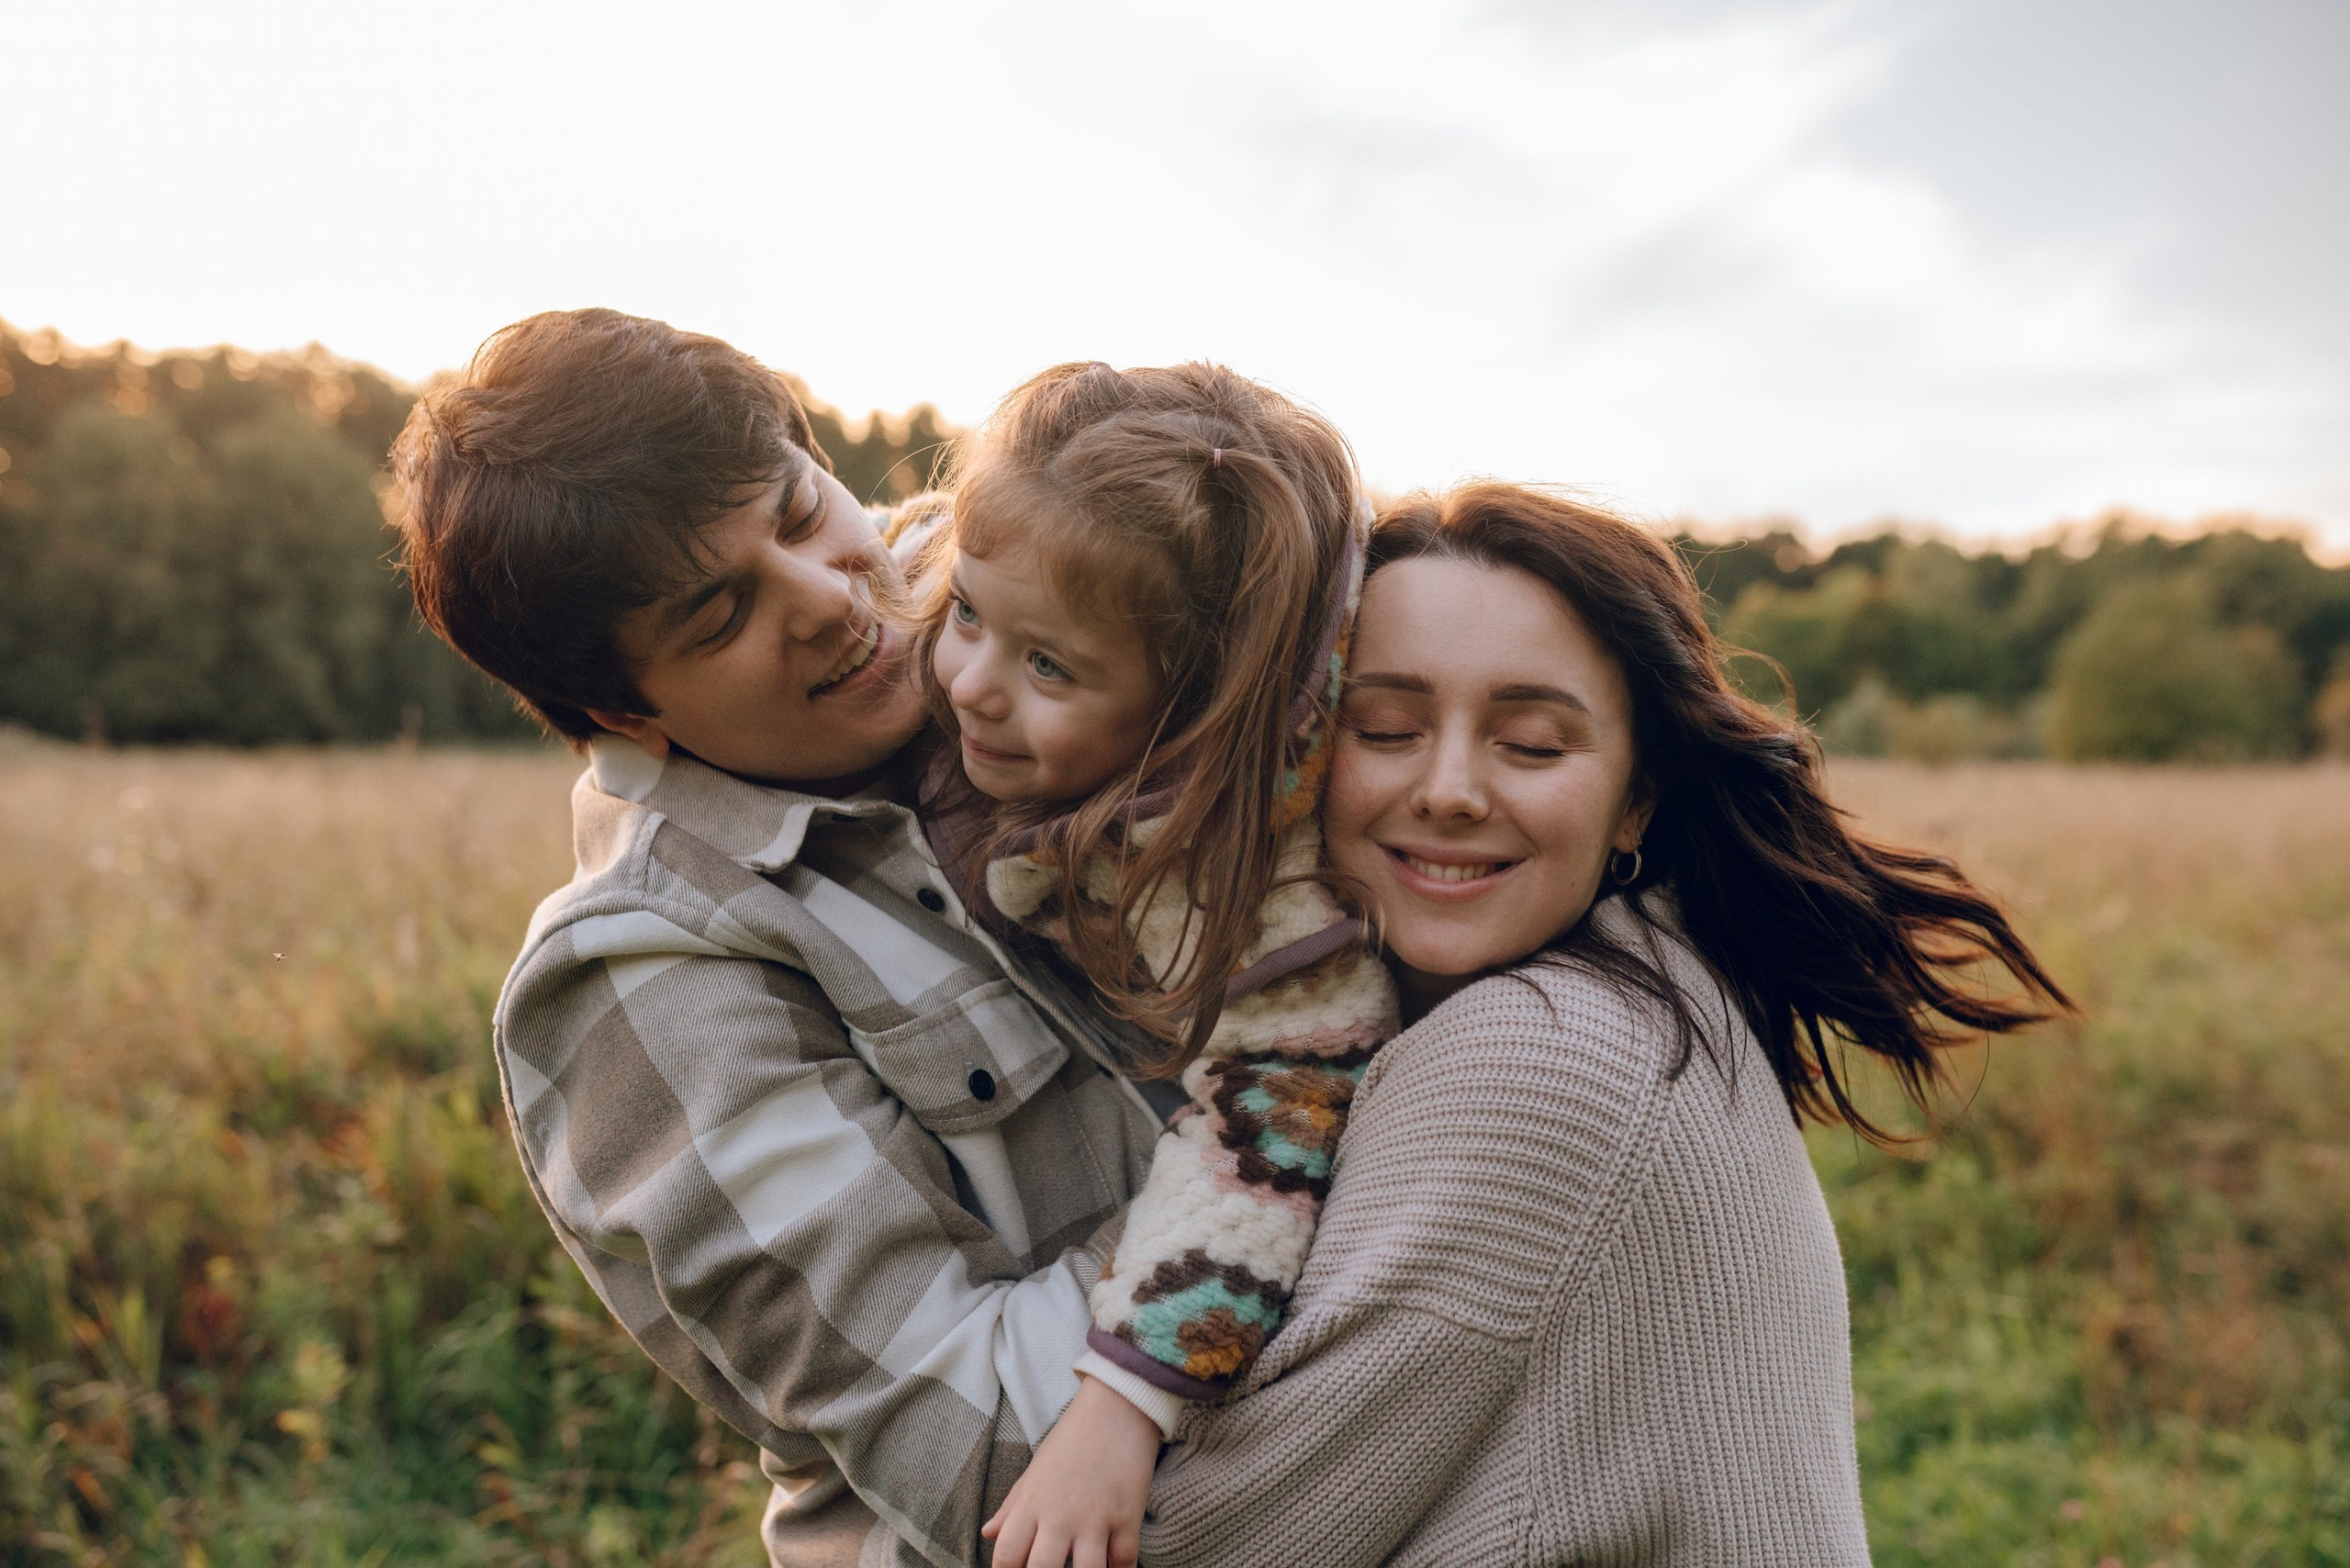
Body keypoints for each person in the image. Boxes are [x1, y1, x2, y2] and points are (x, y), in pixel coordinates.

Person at [1138, 483, 2071, 1566]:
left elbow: (1183, 1542)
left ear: (1635, 800)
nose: (1448, 789)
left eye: (1532, 744)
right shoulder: (1654, 980)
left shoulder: (1542, 1060)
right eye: (1385, 728)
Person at [388, 309, 1172, 1568]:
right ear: (620, 711)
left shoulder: (1018, 586)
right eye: (718, 616)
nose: (826, 597)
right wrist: (1314, 1154)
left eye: (800, 512)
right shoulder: (640, 977)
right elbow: (985, 1447)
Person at [899, 362, 1400, 1568]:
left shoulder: (1267, 895)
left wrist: (1121, 1407)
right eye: (966, 613)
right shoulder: (973, 569)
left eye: (1049, 667)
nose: (971, 684)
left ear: (1193, 707)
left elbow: (1261, 1145)